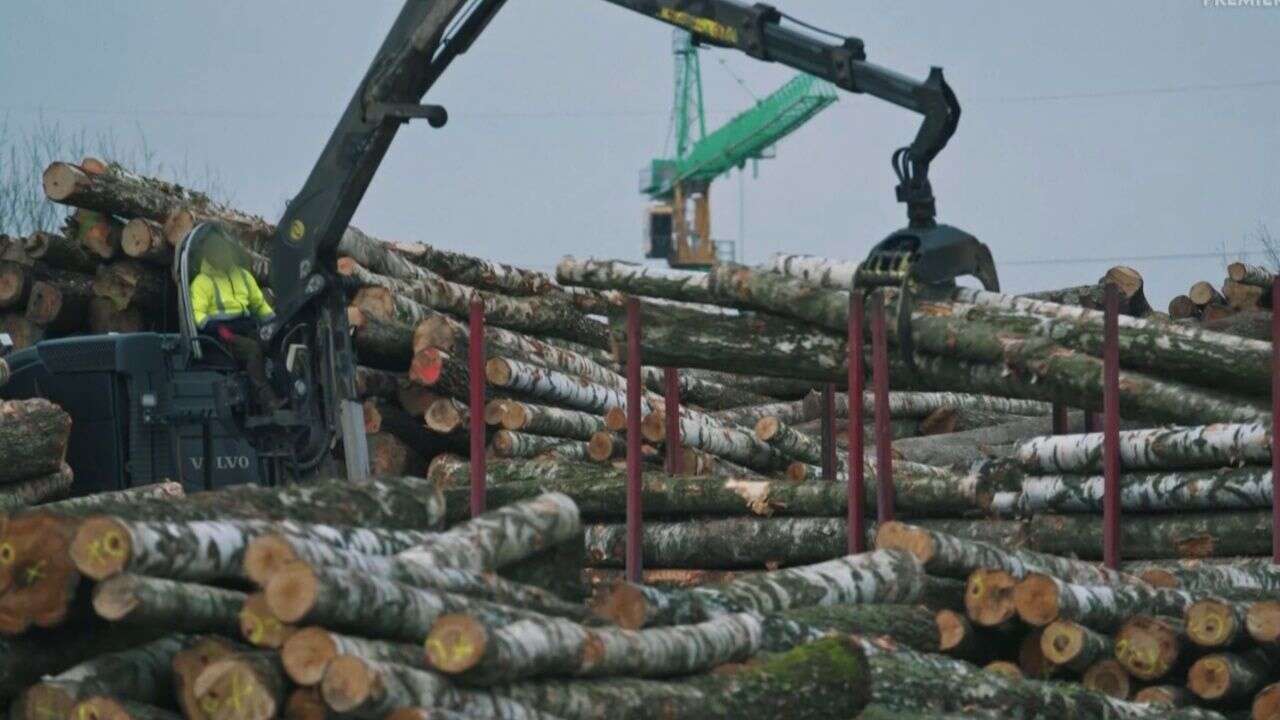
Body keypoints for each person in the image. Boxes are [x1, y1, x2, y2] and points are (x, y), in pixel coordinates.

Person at [189, 227, 281, 409]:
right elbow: (198, 316)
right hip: (221, 335)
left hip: (246, 327)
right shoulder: (202, 282)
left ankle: (284, 391)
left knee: (276, 345)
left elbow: (259, 304)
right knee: (253, 350)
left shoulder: (243, 276)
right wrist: (218, 329)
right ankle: (267, 400)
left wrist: (275, 324)